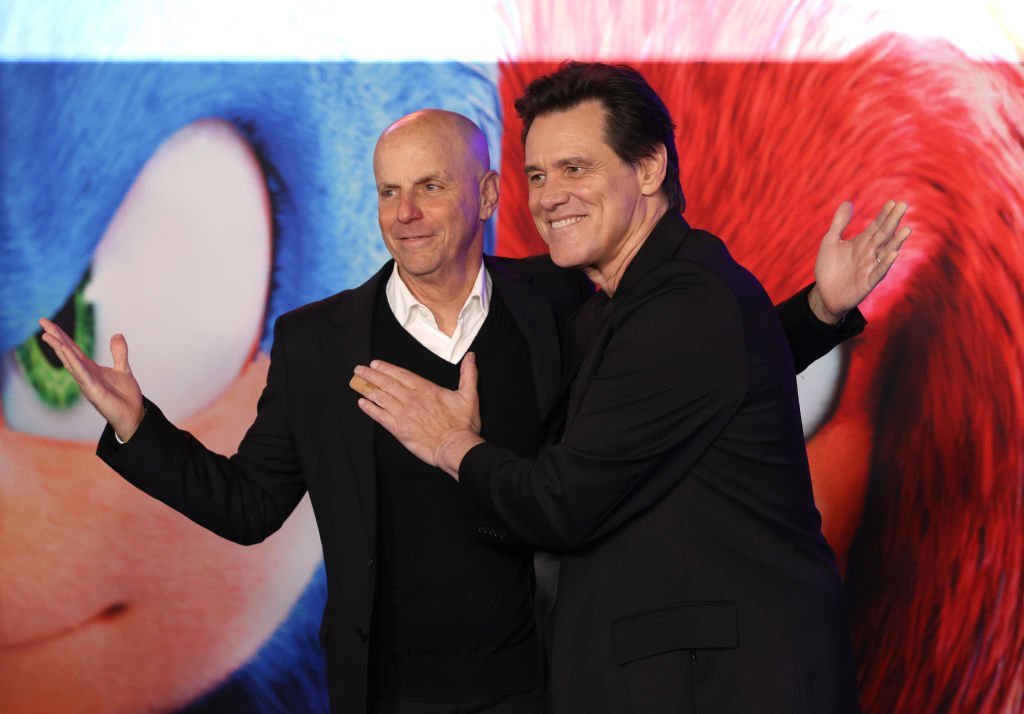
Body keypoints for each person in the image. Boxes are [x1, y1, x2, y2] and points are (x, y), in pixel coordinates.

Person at [40, 106, 904, 713]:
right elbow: (247, 505)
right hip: (387, 692)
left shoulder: (557, 305)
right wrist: (138, 429)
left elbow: (685, 382)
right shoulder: (317, 343)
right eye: (388, 191)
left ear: (487, 196)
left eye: (428, 186)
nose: (405, 214)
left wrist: (820, 312)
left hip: (538, 685)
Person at [352, 63, 910, 714]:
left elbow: (561, 503)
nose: (549, 197)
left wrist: (451, 442)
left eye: (575, 169)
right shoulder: (639, 298)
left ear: (648, 169)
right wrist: (818, 311)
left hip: (716, 684)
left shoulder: (682, 305)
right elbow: (705, 387)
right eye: (538, 175)